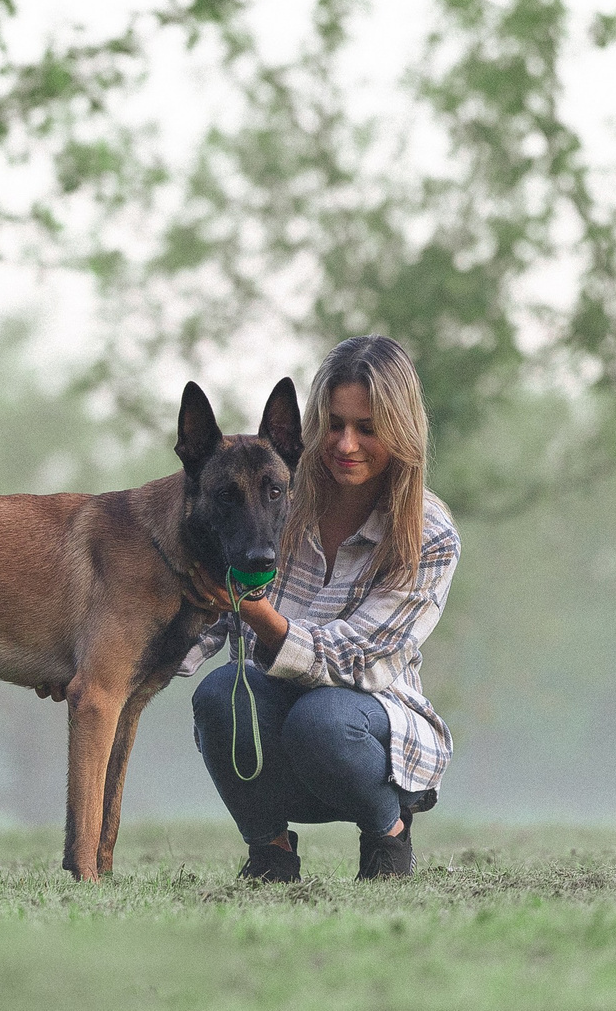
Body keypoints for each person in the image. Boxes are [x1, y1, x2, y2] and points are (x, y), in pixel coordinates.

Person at [182, 334, 459, 881]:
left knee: (322, 719)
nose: (346, 444)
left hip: (365, 731)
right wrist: (105, 662)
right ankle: (272, 853)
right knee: (218, 694)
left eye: (368, 428)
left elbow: (360, 659)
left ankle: (388, 835)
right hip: (279, 730)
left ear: (401, 431)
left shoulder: (430, 532)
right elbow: (200, 618)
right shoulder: (272, 494)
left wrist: (261, 618)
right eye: (334, 424)